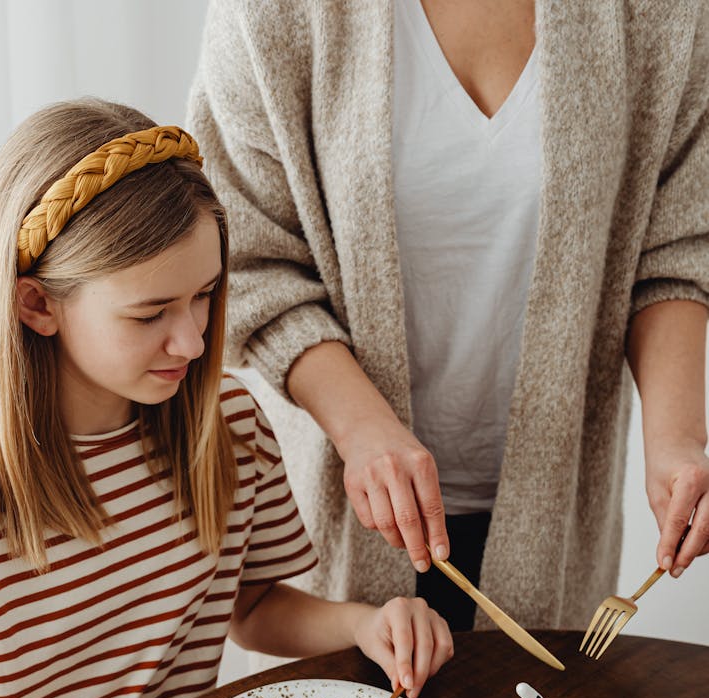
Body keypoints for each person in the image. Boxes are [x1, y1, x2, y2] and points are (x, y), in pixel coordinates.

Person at [0, 98, 453, 698]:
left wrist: (364, 622)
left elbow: (251, 606)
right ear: (36, 304)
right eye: (151, 311)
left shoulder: (228, 422)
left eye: (204, 297)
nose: (192, 340)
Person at [188, 0, 709, 631]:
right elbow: (242, 253)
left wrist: (677, 439)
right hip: (341, 515)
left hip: (555, 520)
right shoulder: (273, 13)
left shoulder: (669, 13)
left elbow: (678, 241)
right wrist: (362, 430)